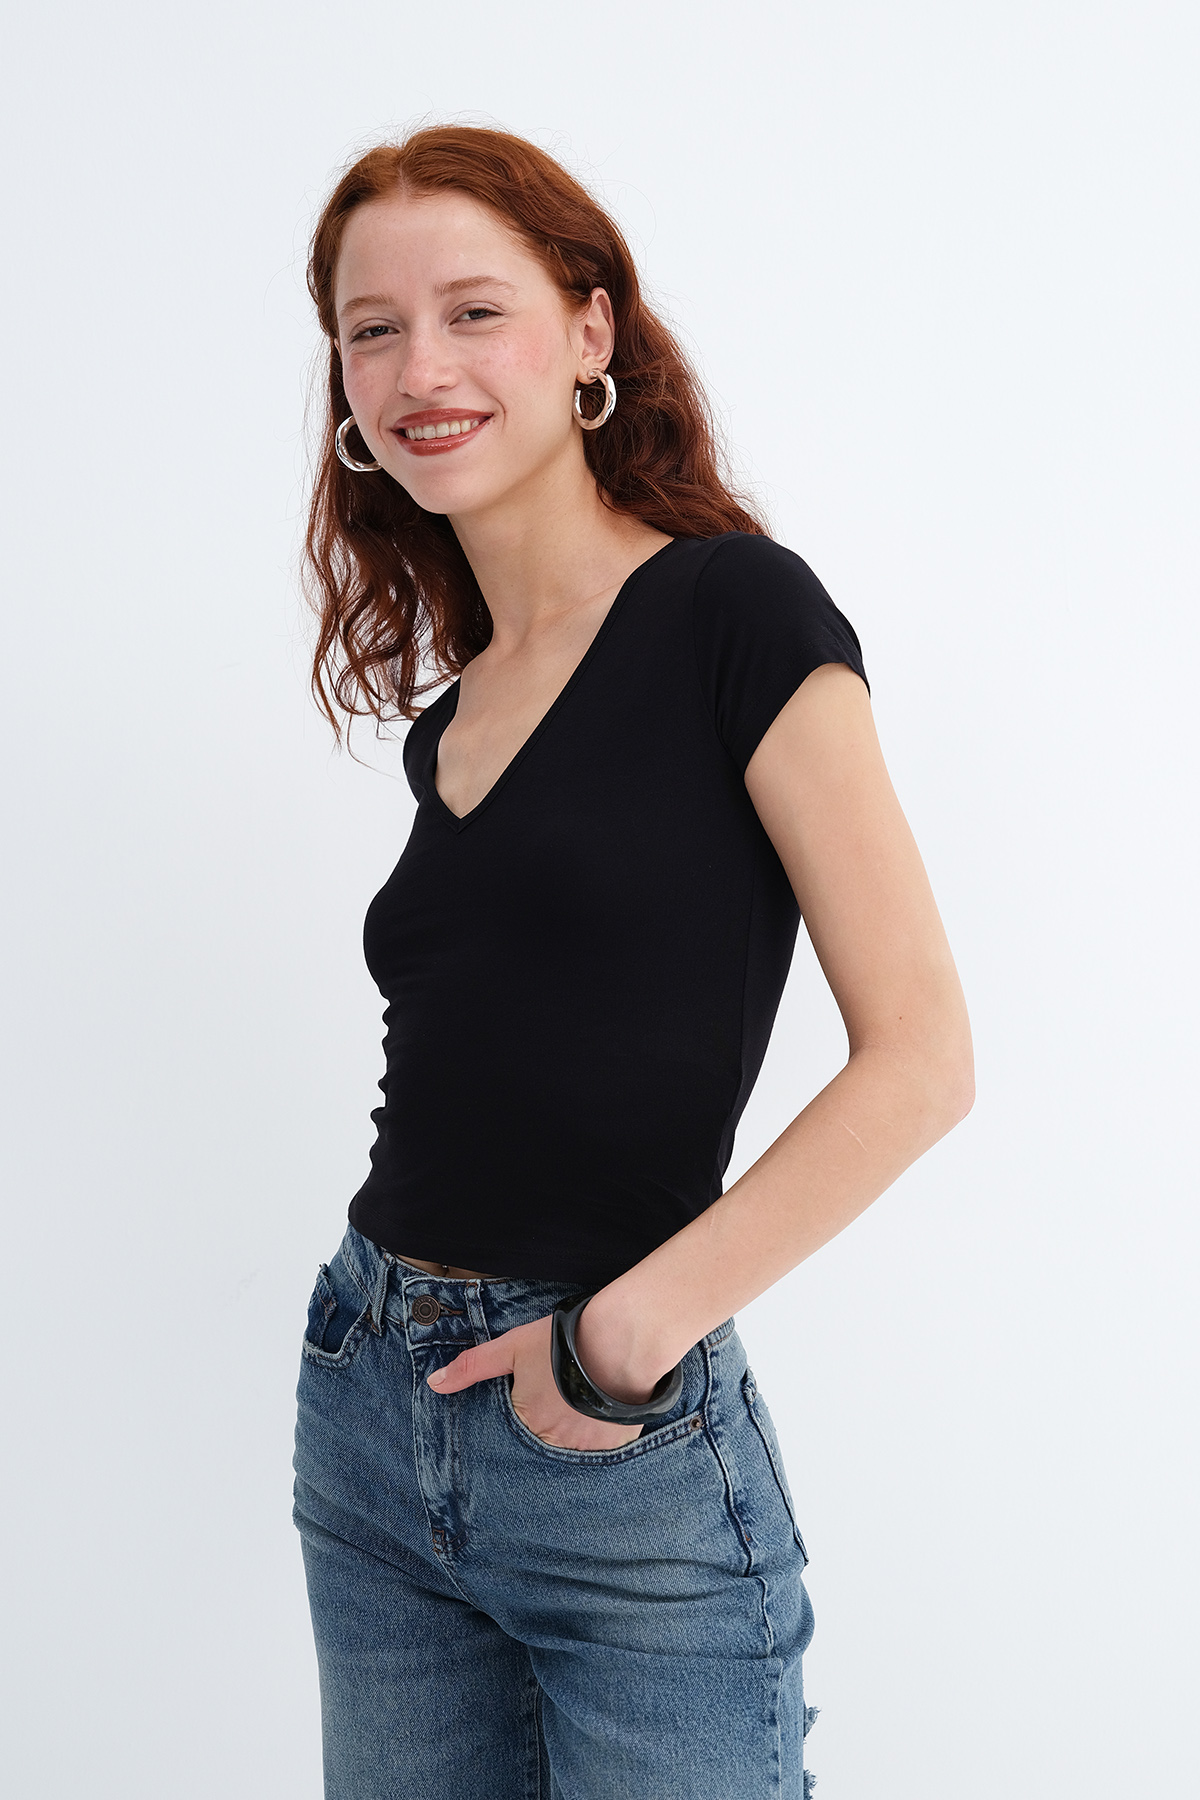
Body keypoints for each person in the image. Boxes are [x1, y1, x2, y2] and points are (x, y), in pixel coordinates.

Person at [292, 124, 974, 1800]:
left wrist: (617, 1341)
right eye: (373, 330)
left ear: (589, 329)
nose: (419, 369)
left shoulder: (738, 616)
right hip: (369, 1396)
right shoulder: (457, 710)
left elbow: (923, 1058)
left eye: (474, 311)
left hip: (613, 1443)